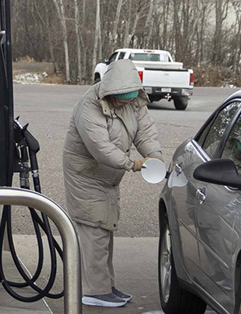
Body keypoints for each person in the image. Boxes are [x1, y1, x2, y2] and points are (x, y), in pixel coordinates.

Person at [62, 58, 165, 309]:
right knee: (93, 229)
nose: (126, 101)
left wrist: (155, 156)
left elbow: (145, 132)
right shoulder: (90, 105)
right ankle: (93, 290)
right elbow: (100, 148)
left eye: (130, 96)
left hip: (107, 176)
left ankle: (105, 285)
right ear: (110, 91)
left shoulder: (133, 102)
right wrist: (133, 164)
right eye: (122, 97)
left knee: (105, 228)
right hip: (86, 175)